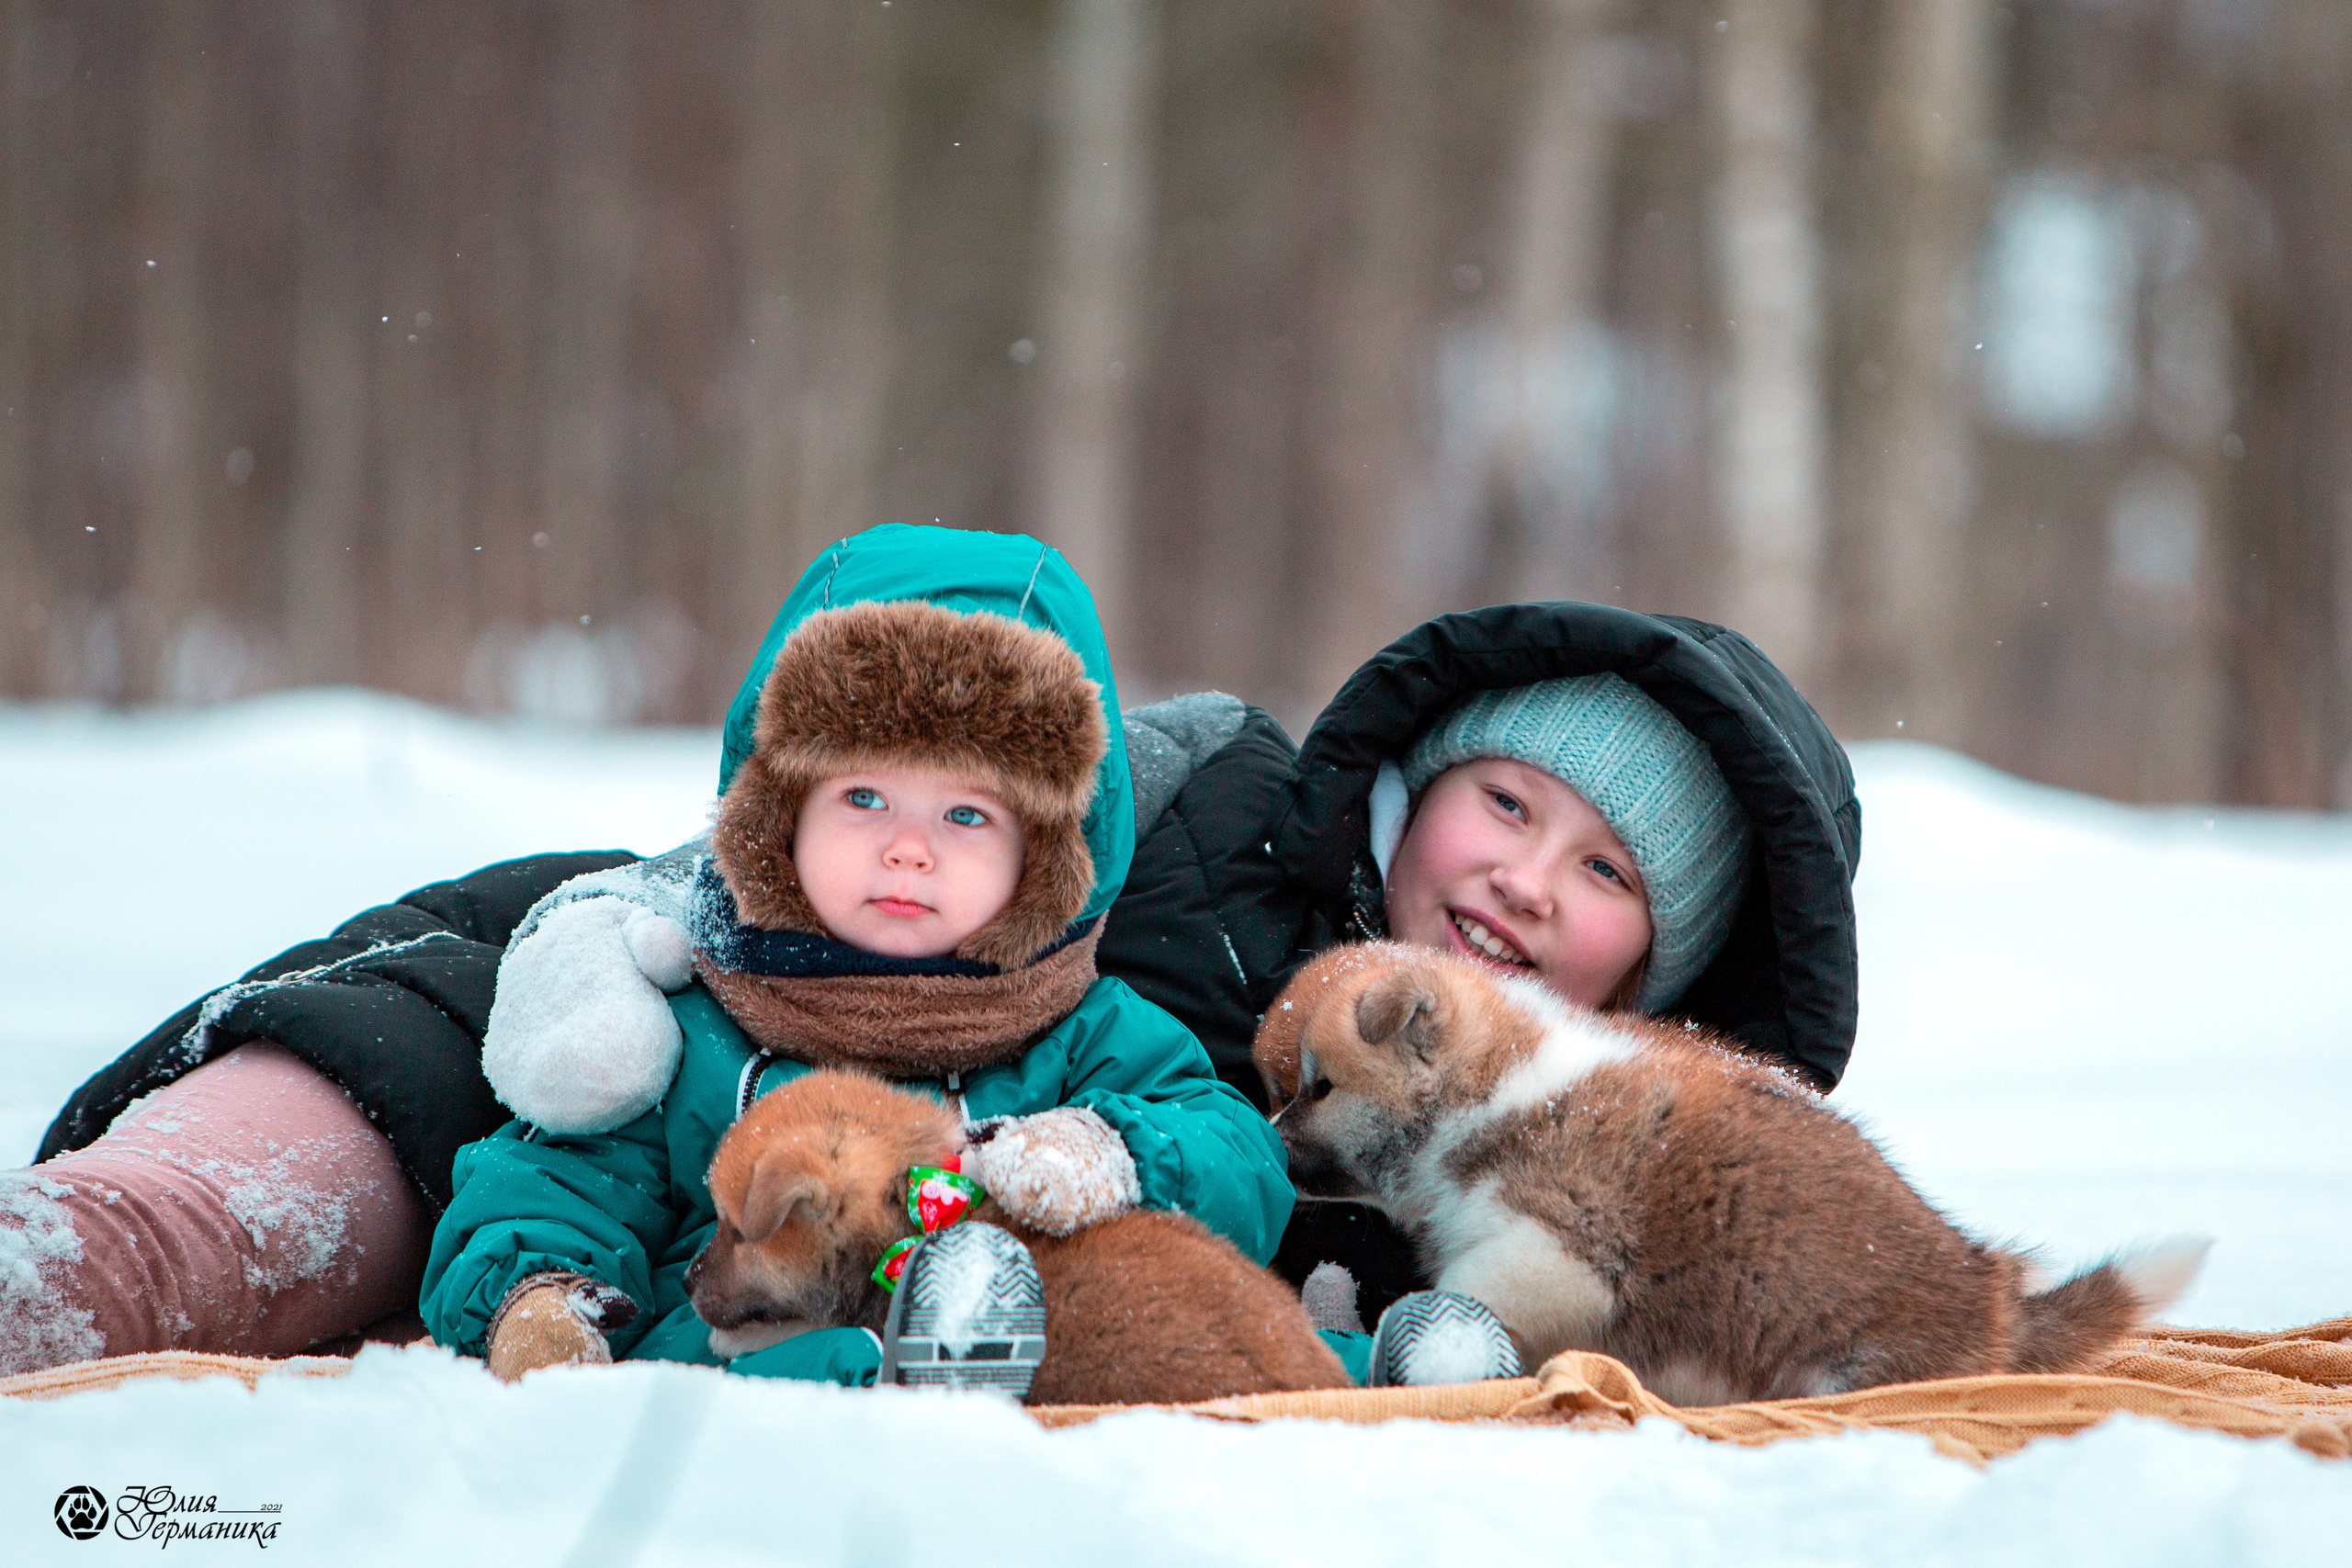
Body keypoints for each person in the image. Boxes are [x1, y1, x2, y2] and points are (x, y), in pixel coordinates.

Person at [12, 562, 1856, 1383]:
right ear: (1408, 787)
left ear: (1664, 964)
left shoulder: (1568, 1176)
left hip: (775, 1246)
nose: (1522, 882)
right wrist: (612, 958)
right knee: (172, 1242)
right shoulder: (1201, 792)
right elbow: (847, 832)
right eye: (1502, 803)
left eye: (1602, 872)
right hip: (587, 1017)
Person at [420, 526, 1288, 1393]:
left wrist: (1115, 1151)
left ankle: (1403, 1358)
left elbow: (1239, 1157)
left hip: (1046, 1355)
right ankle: (880, 1372)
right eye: (864, 797)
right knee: (784, 1359)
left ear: (1044, 858)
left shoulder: (1086, 1033)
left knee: (1190, 1337)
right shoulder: (701, 1027)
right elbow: (560, 1179)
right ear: (782, 815)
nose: (909, 848)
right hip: (740, 1374)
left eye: (967, 814)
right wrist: (541, 1297)